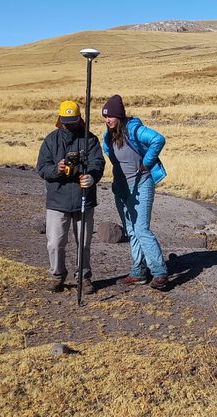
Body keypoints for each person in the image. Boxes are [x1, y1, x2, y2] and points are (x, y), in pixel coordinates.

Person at [101, 94, 170, 290]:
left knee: (141, 229)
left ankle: (160, 272)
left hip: (141, 185)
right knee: (131, 230)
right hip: (122, 188)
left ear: (120, 116)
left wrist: (146, 163)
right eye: (105, 117)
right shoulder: (109, 135)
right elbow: (109, 152)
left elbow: (158, 139)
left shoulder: (133, 129)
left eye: (111, 116)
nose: (107, 120)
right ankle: (138, 271)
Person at [36, 100, 105, 294]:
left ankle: (84, 276)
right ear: (59, 120)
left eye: (72, 121)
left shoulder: (89, 139)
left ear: (79, 119)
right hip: (57, 201)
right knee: (55, 242)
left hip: (84, 198)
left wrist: (91, 176)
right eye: (66, 121)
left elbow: (98, 163)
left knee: (83, 242)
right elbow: (41, 168)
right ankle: (57, 275)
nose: (69, 125)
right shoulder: (51, 140)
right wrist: (56, 170)